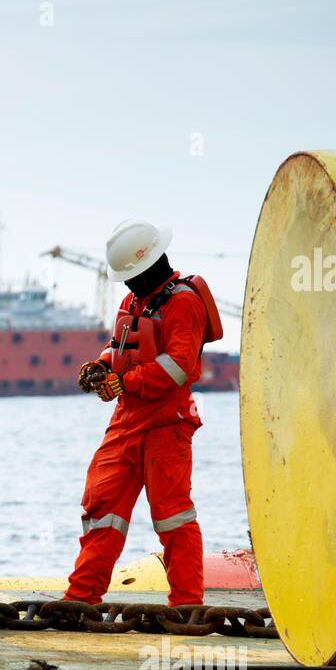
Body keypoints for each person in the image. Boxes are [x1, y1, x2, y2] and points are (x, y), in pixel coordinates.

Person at [68, 219, 222, 610]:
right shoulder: (133, 301)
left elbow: (179, 367)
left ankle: (187, 606)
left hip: (167, 423)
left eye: (131, 276)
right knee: (101, 506)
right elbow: (119, 345)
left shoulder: (184, 302)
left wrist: (129, 383)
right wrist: (103, 367)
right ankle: (82, 597)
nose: (127, 284)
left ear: (149, 266)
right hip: (127, 420)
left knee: (172, 515)